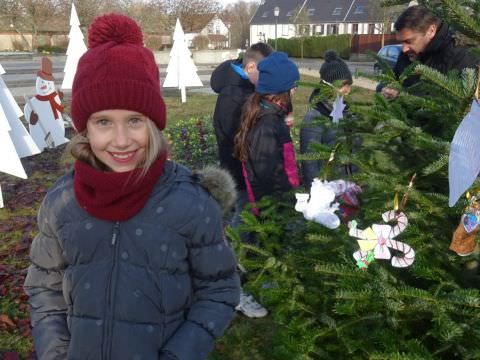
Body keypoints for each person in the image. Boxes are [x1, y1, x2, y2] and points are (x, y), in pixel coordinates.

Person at [23, 13, 240, 360]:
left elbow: (219, 290)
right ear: (85, 129)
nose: (121, 140)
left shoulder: (190, 203)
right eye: (104, 122)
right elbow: (44, 287)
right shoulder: (62, 203)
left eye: (135, 120)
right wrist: (57, 353)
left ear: (153, 124)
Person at [211, 43, 273, 319]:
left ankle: (251, 266)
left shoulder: (248, 88)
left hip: (252, 172)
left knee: (252, 220)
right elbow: (233, 137)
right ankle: (233, 285)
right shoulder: (231, 95)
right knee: (242, 221)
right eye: (265, 73)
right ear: (250, 68)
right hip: (239, 173)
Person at [234, 51, 300, 212]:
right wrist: (289, 200)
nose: (296, 90)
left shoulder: (274, 115)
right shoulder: (267, 125)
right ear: (282, 90)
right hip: (273, 211)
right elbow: (268, 175)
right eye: (294, 86)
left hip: (279, 204)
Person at [381, 5, 480, 99]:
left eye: (409, 41)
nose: (404, 49)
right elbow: (391, 78)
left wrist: (402, 96)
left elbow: (455, 102)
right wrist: (386, 88)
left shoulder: (461, 53)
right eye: (401, 42)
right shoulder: (408, 52)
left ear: (431, 31)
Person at [300, 50, 353, 189]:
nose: (347, 90)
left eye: (349, 84)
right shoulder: (315, 117)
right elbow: (310, 161)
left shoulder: (347, 110)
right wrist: (317, 193)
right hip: (328, 188)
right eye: (342, 85)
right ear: (327, 86)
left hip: (349, 184)